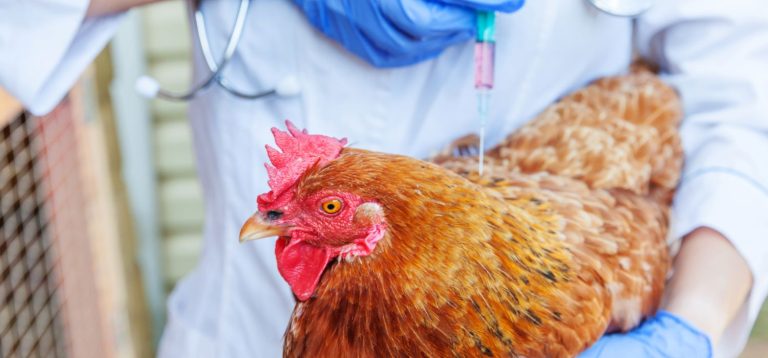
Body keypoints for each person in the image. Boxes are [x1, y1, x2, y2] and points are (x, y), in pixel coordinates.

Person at [1, 0, 766, 356]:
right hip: (236, 334)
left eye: (327, 205)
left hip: (535, 272)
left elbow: (746, 97)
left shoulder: (568, 291)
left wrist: (688, 329)